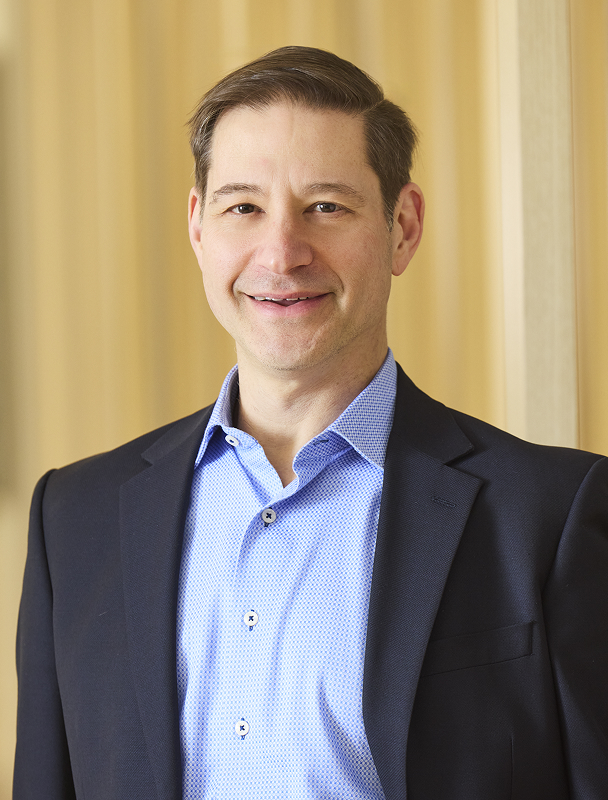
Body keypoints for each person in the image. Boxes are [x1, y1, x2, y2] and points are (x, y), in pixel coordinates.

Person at [13, 46, 608, 800]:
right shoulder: (73, 521)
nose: (281, 253)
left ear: (403, 226)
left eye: (326, 206)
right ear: (199, 227)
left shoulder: (551, 514)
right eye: (243, 207)